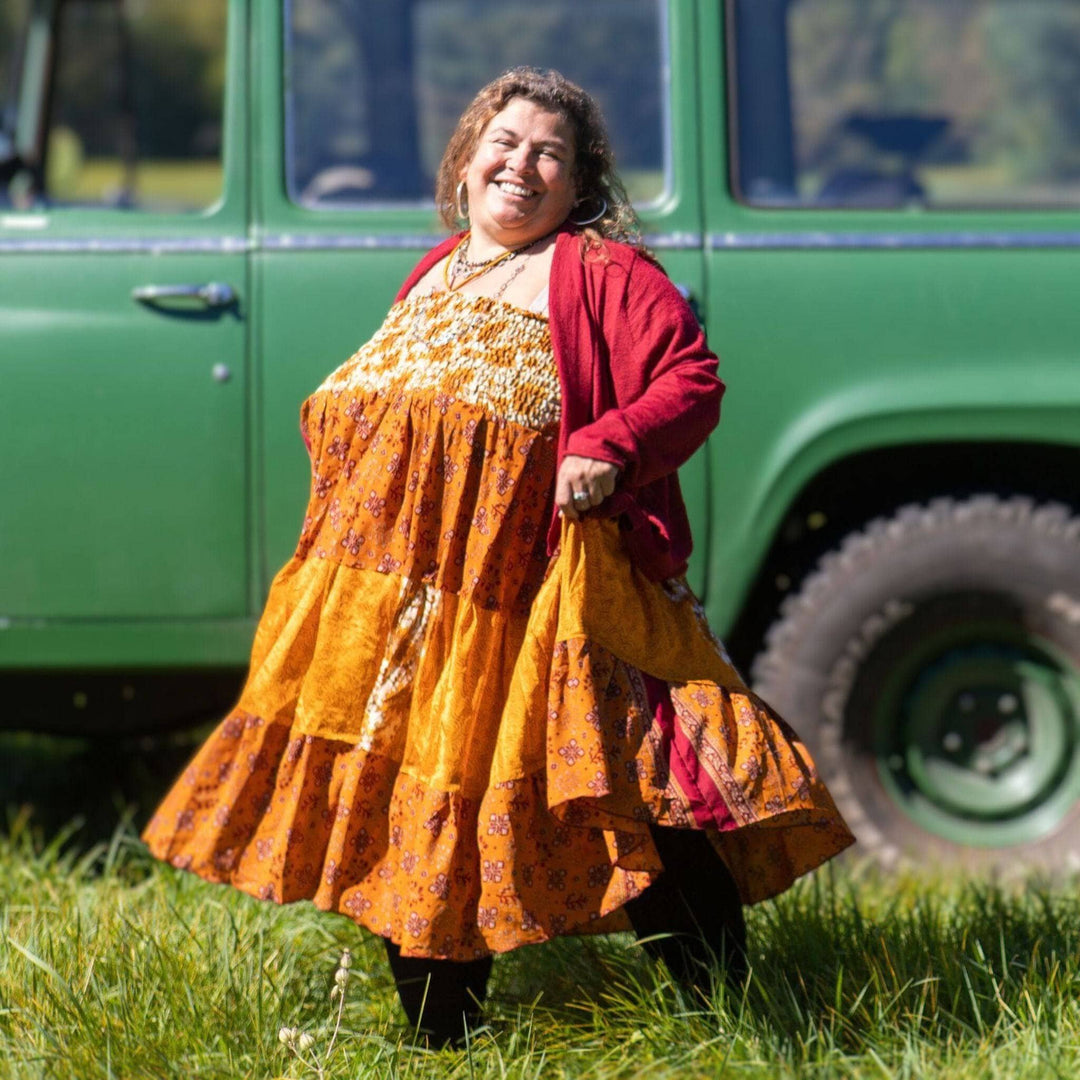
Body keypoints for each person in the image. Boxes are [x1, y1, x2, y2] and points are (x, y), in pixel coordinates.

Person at [143, 67, 854, 1047]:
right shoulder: (432, 274)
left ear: (578, 187)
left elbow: (691, 378)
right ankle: (444, 1051)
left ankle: (724, 1027)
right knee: (428, 809)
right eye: (506, 143)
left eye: (550, 155)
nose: (522, 165)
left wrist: (608, 448)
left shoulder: (598, 272)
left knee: (636, 794)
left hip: (559, 592)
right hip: (425, 610)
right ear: (468, 158)